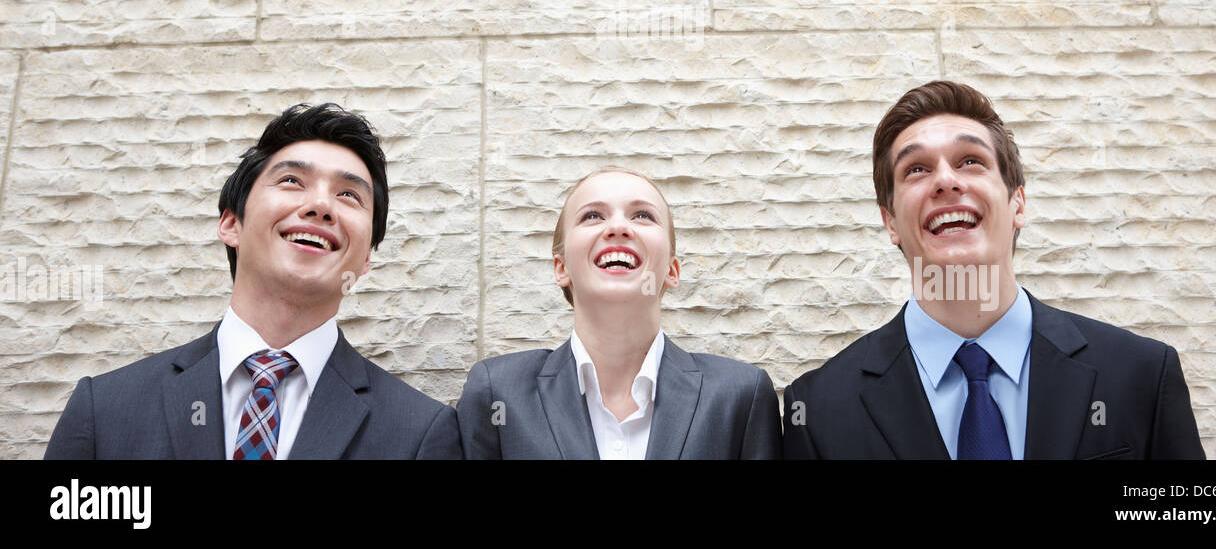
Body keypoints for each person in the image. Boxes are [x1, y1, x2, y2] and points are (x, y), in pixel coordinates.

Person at [784, 80, 1204, 459]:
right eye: (917, 169)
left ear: (1017, 204)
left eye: (970, 161)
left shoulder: (1141, 375)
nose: (946, 181)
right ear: (890, 221)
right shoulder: (818, 409)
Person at [46, 102, 461, 459]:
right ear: (230, 223)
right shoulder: (105, 411)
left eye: (349, 195)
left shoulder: (423, 433)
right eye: (292, 181)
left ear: (366, 256)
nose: (320, 206)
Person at [458, 166, 781, 458]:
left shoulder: (740, 395)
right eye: (592, 216)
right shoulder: (496, 391)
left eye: (642, 215)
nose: (617, 227)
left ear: (671, 270)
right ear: (561, 268)